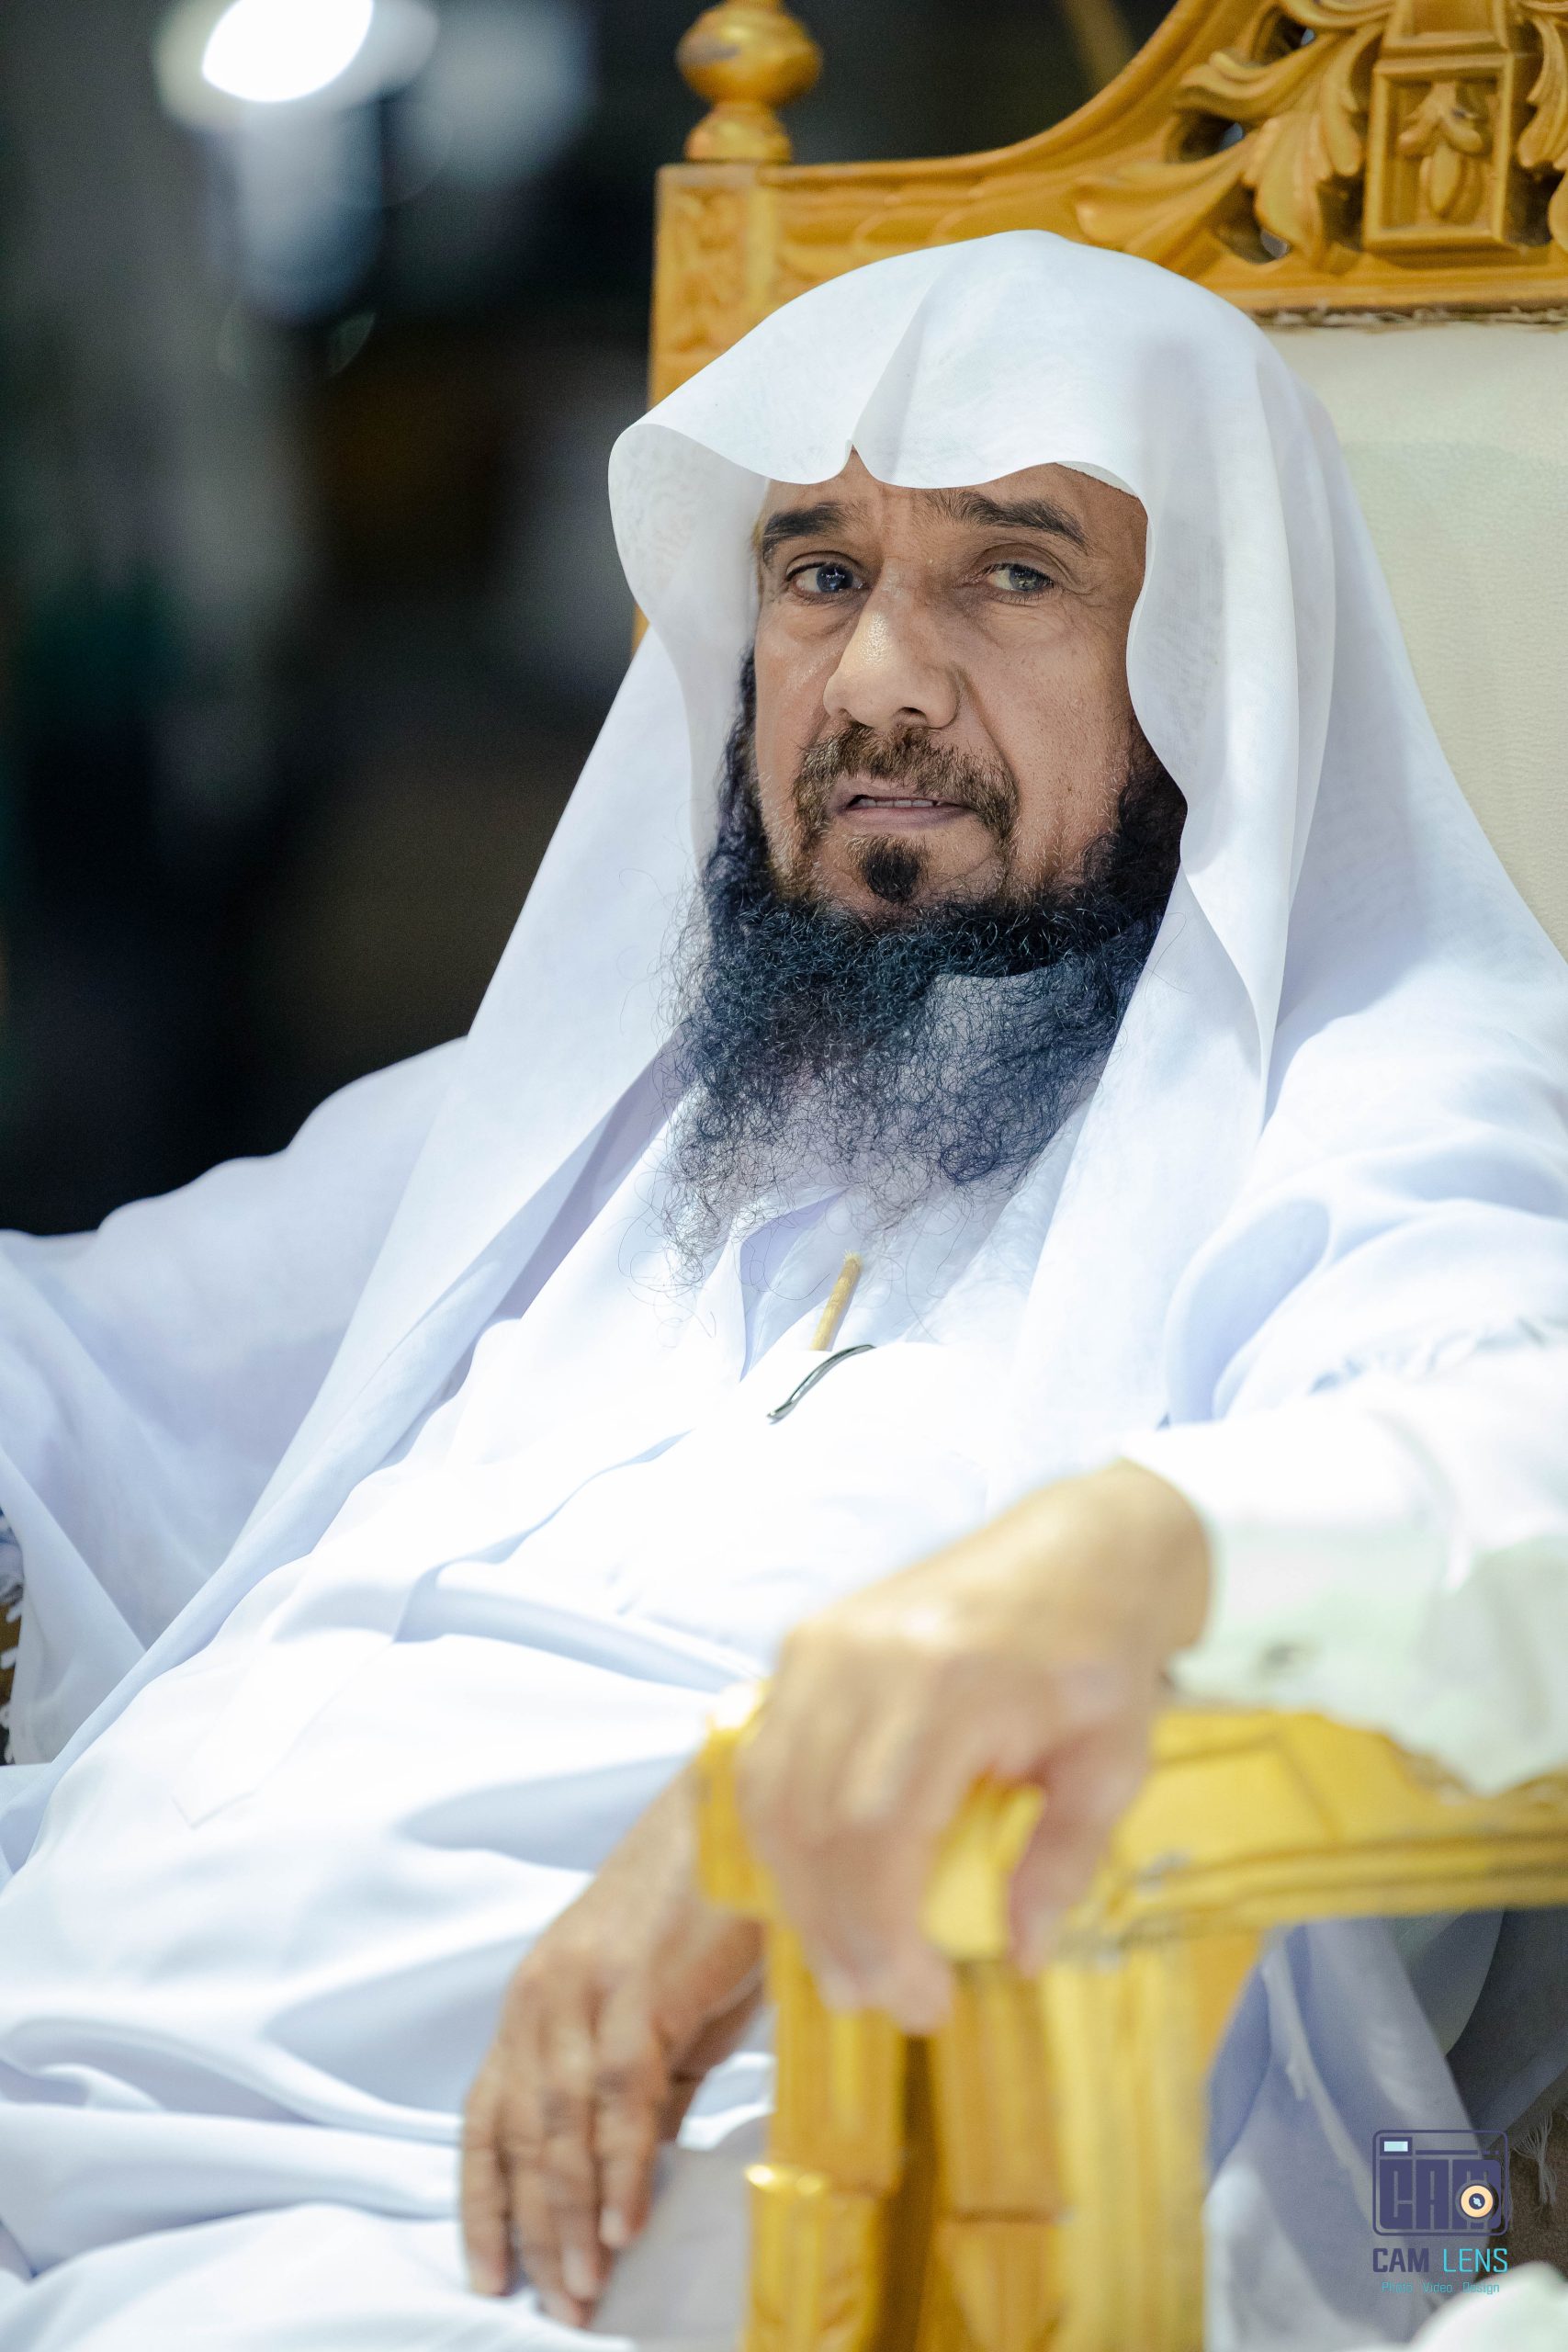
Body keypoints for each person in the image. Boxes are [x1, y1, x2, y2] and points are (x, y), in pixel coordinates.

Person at [0, 231, 1565, 2351]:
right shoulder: (611, 1101)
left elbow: (1516, 1476)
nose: (874, 681)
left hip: (526, 2232)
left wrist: (1021, 1608)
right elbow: (79, 1361)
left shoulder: (1369, 1095)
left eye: (1010, 573)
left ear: (1212, 658)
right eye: (819, 574)